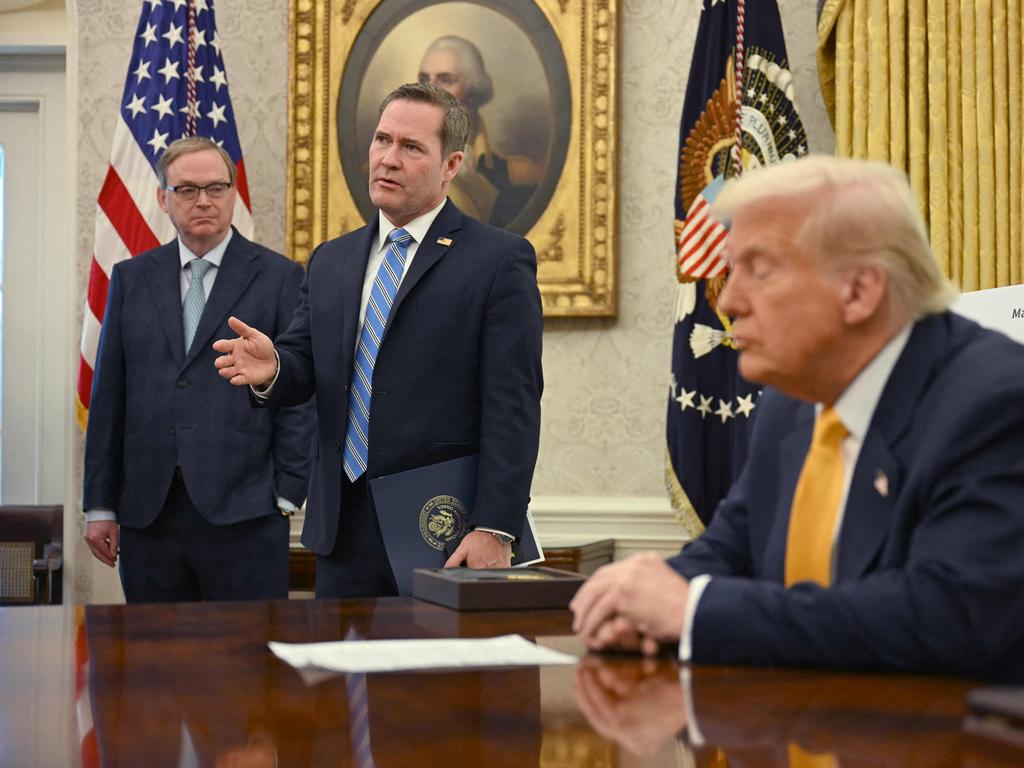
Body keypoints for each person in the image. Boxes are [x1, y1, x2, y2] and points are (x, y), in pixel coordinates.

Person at [571, 155, 1024, 681]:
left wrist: (692, 612)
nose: (731, 300)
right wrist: (637, 602)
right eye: (730, 268)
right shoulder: (792, 402)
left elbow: (946, 617)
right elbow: (728, 552)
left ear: (859, 290)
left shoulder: (993, 402)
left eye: (759, 271)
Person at [213, 83, 543, 598]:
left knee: (435, 679)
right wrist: (275, 366)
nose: (388, 159)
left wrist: (496, 526)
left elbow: (514, 405)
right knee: (345, 677)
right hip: (340, 530)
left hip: (440, 531)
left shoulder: (498, 260)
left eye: (411, 147)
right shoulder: (332, 260)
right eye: (381, 140)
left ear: (451, 164)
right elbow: (306, 361)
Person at [83, 136, 314, 602]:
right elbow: (110, 396)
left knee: (247, 668)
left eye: (216, 187)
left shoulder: (281, 277)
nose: (203, 200)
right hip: (150, 517)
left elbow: (300, 390)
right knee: (158, 668)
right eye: (187, 190)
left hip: (247, 514)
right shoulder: (131, 278)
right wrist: (100, 506)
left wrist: (288, 491)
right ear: (163, 199)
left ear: (233, 194)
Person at [417, 35, 541, 228]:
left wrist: (473, 184)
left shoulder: (519, 175)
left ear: (473, 92)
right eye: (424, 79)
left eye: (446, 80)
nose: (429, 91)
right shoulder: (385, 169)